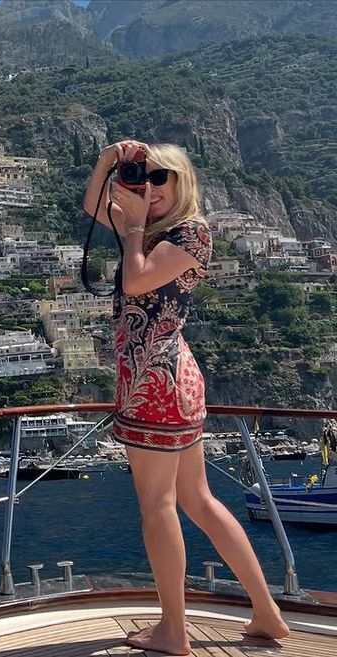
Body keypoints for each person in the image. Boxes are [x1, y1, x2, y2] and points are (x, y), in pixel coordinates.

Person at [83, 140, 290, 655]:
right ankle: (267, 614)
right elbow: (92, 206)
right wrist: (109, 161)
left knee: (159, 506)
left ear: (181, 183)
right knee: (198, 500)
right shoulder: (151, 230)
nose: (148, 187)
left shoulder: (190, 234)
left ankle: (173, 631)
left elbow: (136, 283)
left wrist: (131, 227)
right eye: (142, 176)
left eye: (160, 178)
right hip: (163, 377)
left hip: (156, 379)